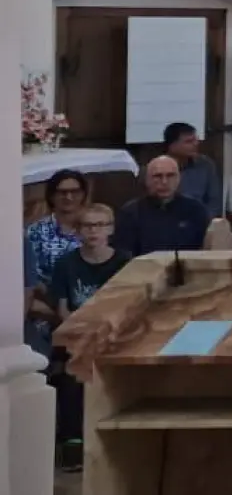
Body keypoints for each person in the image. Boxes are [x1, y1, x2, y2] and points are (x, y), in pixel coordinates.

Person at [47, 202, 126, 470]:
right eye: (88, 226)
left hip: (114, 336)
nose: (94, 231)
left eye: (100, 225)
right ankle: (73, 442)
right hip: (77, 339)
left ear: (111, 229)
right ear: (79, 231)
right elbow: (63, 308)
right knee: (72, 375)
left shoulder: (125, 262)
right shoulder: (65, 265)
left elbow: (127, 306)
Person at [114, 156, 209, 256]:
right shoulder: (131, 212)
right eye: (158, 176)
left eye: (170, 176)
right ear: (147, 180)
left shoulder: (195, 210)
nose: (164, 182)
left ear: (179, 178)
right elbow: (124, 252)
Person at [164, 121, 223, 219]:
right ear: (172, 146)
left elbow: (215, 202)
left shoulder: (206, 165)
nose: (195, 144)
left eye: (196, 140)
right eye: (189, 141)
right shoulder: (158, 168)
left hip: (201, 222)